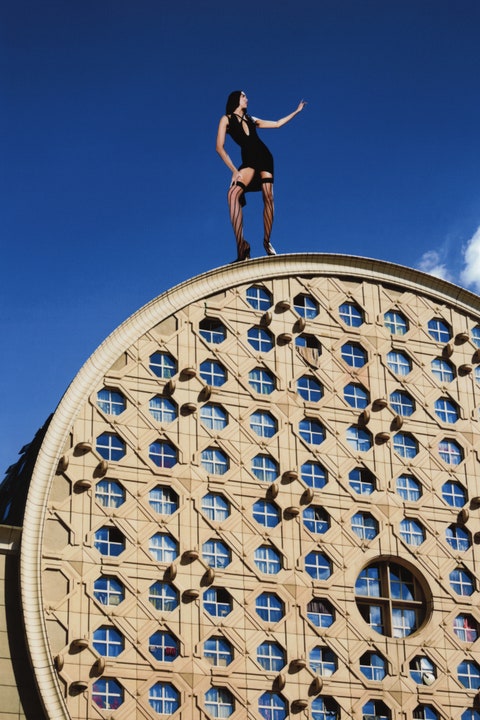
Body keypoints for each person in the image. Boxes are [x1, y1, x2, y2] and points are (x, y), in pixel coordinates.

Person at [216, 91, 306, 261]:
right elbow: (219, 147)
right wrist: (234, 171)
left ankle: (266, 241)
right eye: (244, 96)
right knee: (232, 195)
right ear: (236, 99)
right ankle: (242, 247)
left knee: (269, 196)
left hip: (264, 157)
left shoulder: (251, 119)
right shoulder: (226, 119)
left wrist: (296, 111)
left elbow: (278, 124)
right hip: (248, 161)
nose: (247, 99)